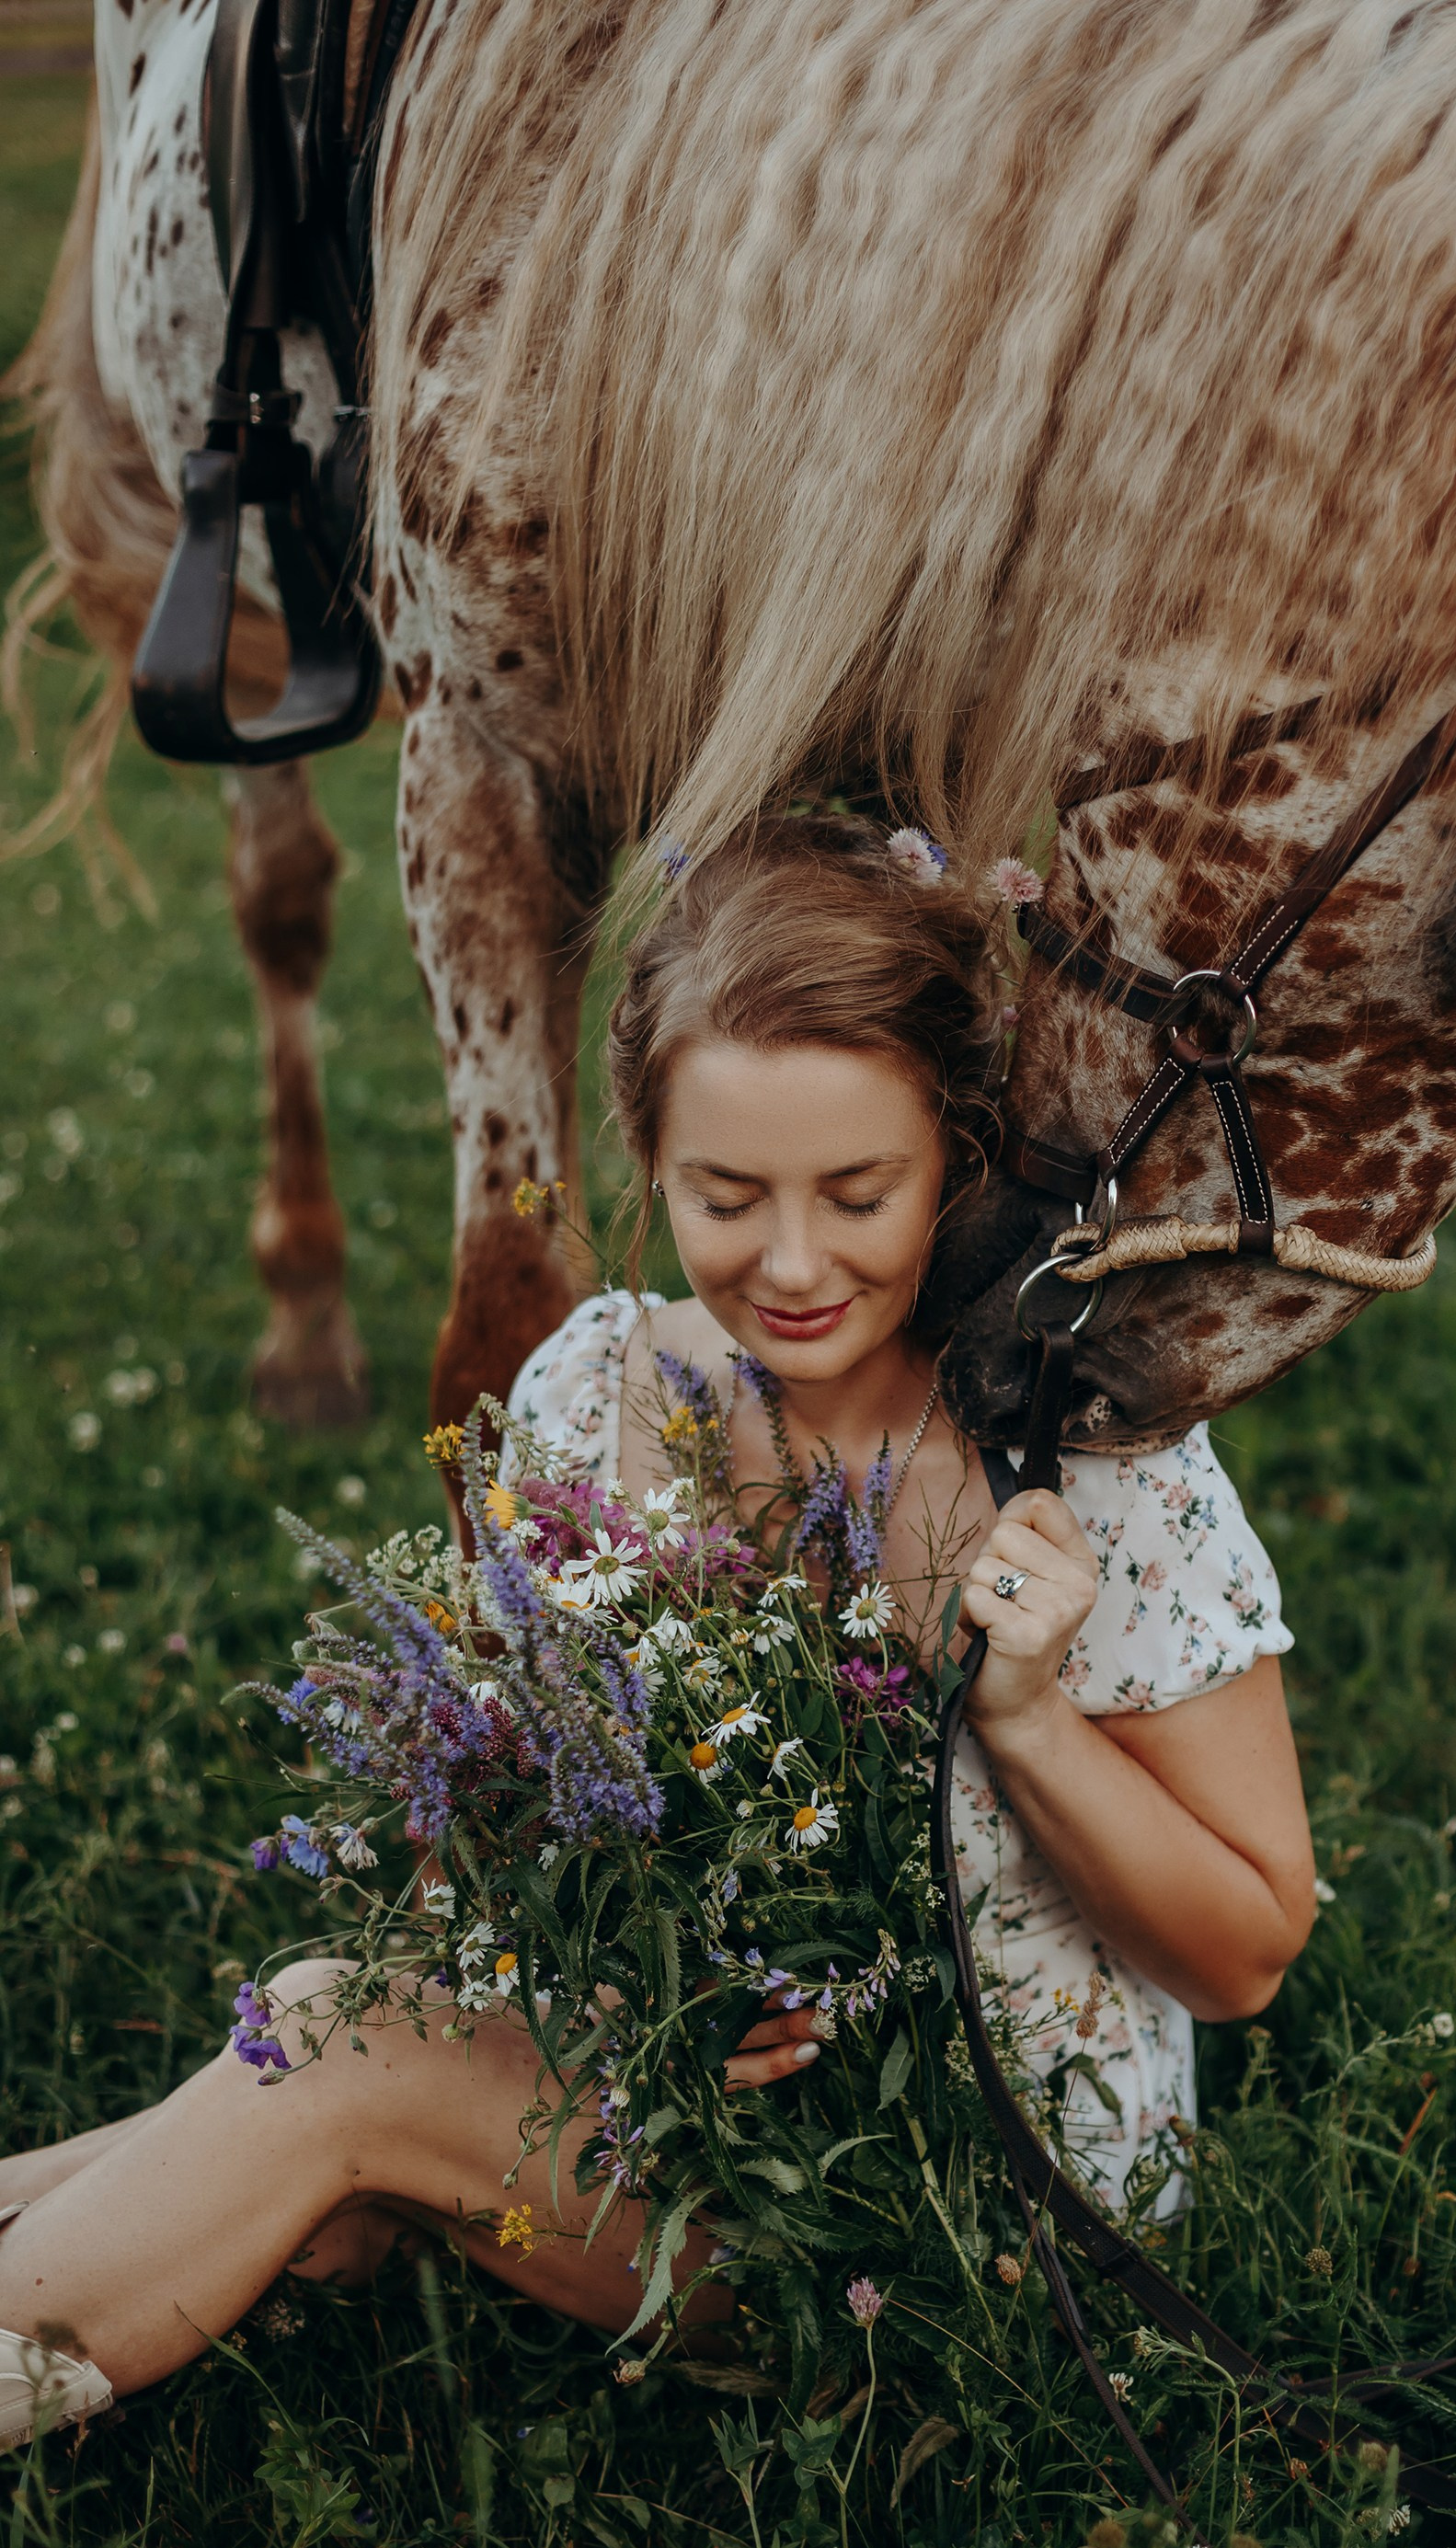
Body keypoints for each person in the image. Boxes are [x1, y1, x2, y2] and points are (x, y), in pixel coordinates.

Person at [0, 819, 1315, 2449]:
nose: (793, 1262)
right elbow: (493, 1827)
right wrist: (631, 1980)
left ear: (959, 1156)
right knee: (327, 2074)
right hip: (657, 2120)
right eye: (724, 1195)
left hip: (967, 2225)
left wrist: (1030, 1717)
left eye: (859, 1194)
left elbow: (1246, 1956)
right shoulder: (592, 1389)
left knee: (345, 2054)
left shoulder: (1090, 1463)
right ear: (647, 1156)